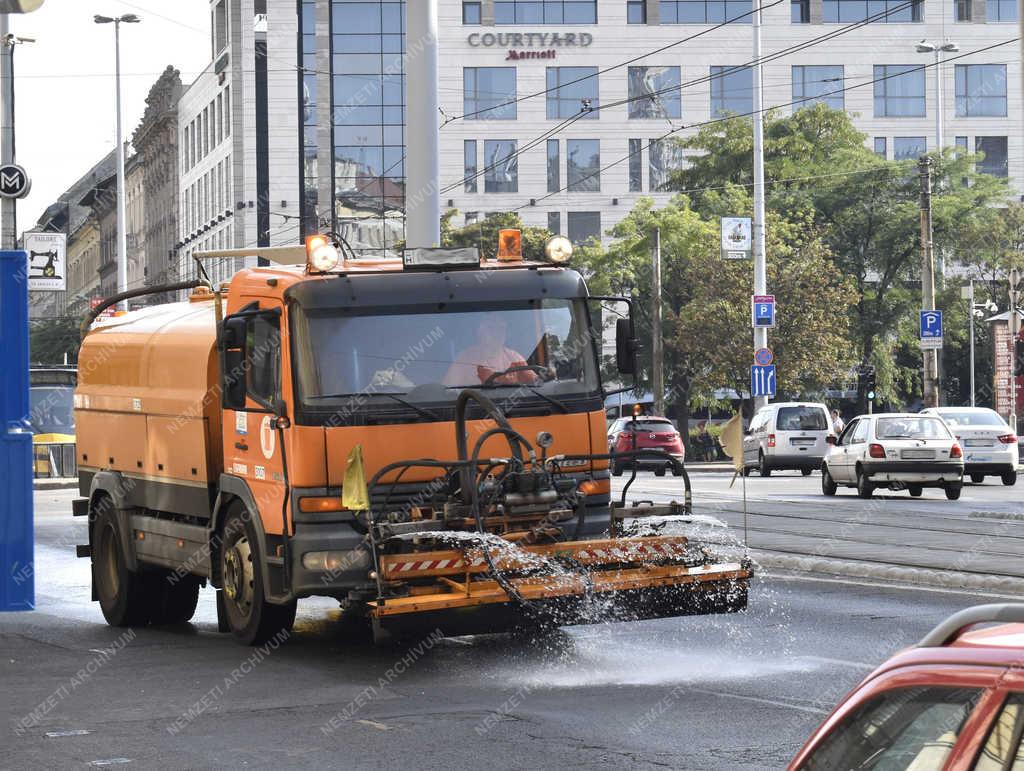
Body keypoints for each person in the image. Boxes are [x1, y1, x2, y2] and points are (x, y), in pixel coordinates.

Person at [443, 316, 537, 386]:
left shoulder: (515, 358)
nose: (497, 333)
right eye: (491, 328)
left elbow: (535, 384)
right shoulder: (465, 358)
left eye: (501, 328)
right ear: (479, 332)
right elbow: (448, 391)